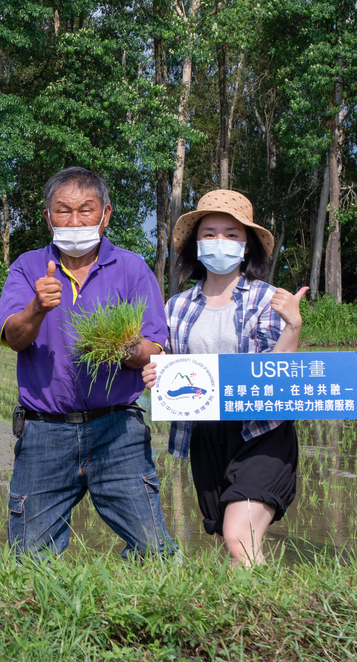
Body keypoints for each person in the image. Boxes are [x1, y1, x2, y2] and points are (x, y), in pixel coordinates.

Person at [0, 166, 175, 558]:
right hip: (44, 432)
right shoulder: (28, 267)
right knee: (29, 558)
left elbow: (156, 347)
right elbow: (12, 337)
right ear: (47, 217)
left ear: (106, 215)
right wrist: (37, 307)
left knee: (154, 551)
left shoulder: (131, 268)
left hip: (118, 430)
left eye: (85, 210)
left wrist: (124, 347)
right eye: (63, 211)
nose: (74, 221)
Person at [143, 189, 307, 565]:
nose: (221, 242)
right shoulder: (177, 306)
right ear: (196, 245)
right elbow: (170, 366)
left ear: (247, 246)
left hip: (261, 431)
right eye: (210, 233)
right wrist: (157, 372)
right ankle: (250, 618)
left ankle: (259, 617)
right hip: (205, 433)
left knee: (239, 537)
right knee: (230, 540)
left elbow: (276, 376)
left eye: (232, 235)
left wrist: (293, 327)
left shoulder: (268, 299)